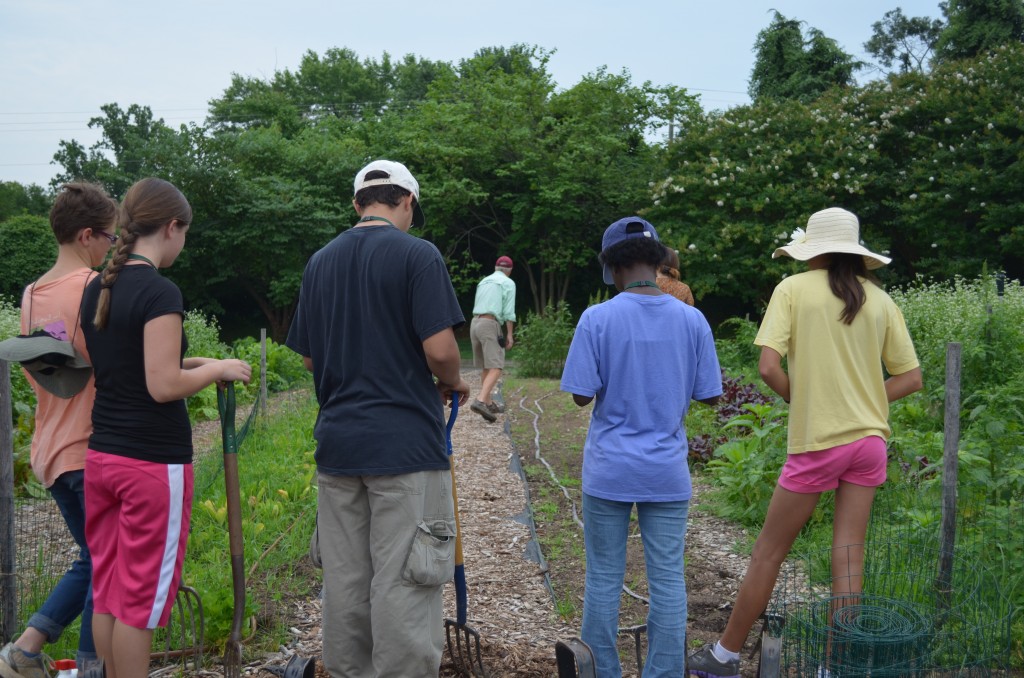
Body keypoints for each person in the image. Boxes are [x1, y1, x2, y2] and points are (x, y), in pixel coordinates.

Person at [687, 207, 922, 678]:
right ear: (857, 254)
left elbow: (769, 367)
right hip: (870, 443)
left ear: (811, 250)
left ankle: (725, 657)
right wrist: (864, 401)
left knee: (769, 552)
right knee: (849, 555)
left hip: (818, 443)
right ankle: (834, 668)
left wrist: (811, 401)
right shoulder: (880, 300)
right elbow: (911, 377)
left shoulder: (792, 289)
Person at [285, 159, 469, 677]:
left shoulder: (321, 261)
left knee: (345, 580)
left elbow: (307, 357)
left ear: (357, 204)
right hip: (405, 447)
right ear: (407, 201)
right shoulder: (418, 255)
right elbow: (439, 349)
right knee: (405, 580)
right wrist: (452, 381)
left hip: (339, 448)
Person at [80, 177, 251, 678]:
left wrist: (206, 361)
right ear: (172, 227)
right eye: (186, 233)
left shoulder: (99, 287)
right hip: (150, 465)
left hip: (103, 458)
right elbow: (161, 384)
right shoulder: (159, 290)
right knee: (139, 603)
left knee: (108, 593)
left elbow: (127, 363)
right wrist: (216, 371)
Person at [560, 217, 723, 677]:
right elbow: (710, 393)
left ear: (611, 268)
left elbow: (580, 394)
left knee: (604, 577)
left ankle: (602, 672)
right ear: (659, 263)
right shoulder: (692, 319)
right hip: (667, 470)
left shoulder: (597, 318)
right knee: (668, 578)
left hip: (609, 469)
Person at [0, 184, 118, 678]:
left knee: (93, 560)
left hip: (50, 448)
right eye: (109, 237)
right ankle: (92, 672)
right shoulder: (91, 287)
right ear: (87, 235)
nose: (113, 247)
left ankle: (25, 653)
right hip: (88, 448)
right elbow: (115, 367)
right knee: (106, 568)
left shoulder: (32, 294)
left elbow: (59, 367)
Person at [468, 255, 516, 422]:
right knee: (496, 366)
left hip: (475, 323)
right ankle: (481, 400)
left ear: (496, 268)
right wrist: (509, 334)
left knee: (486, 367)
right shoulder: (508, 283)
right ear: (509, 271)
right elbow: (509, 312)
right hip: (489, 323)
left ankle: (488, 404)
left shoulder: (484, 281)